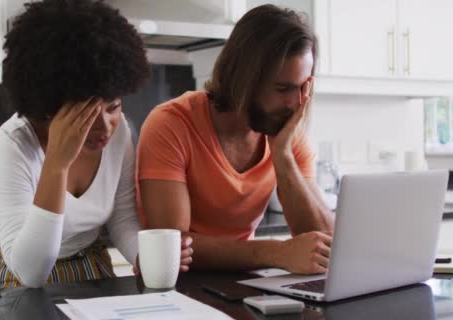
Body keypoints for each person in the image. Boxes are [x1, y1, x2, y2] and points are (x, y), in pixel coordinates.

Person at [0, 0, 192, 289]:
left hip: (93, 268)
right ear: (50, 106)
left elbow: (122, 219)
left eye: (114, 106)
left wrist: (143, 256)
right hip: (22, 283)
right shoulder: (12, 145)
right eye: (89, 114)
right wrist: (57, 163)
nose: (107, 125)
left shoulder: (120, 133)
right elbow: (30, 271)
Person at [136, 4, 334, 273]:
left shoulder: (285, 131)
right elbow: (173, 246)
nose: (294, 102)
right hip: (183, 289)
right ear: (244, 78)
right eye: (282, 88)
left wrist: (283, 156)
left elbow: (325, 244)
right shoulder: (171, 124)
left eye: (302, 87)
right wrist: (276, 252)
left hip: (245, 281)